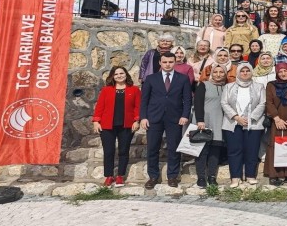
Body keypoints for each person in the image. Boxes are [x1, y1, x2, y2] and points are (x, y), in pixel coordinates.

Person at [140, 52, 192, 189]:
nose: (167, 64)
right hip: (154, 118)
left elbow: (187, 99)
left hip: (175, 118)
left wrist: (185, 115)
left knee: (174, 148)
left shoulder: (183, 79)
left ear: (175, 62)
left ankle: (172, 176)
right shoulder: (151, 79)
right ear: (160, 63)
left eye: (170, 62)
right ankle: (153, 176)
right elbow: (144, 100)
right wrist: (143, 117)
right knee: (152, 148)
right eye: (165, 62)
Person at [92, 66, 141, 187]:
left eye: (121, 73)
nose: (119, 76)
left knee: (123, 151)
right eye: (116, 74)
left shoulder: (134, 90)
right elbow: (100, 107)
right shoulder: (106, 90)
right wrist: (96, 121)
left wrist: (137, 120)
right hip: (107, 125)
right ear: (112, 77)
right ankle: (109, 176)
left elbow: (138, 107)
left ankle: (120, 176)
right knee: (109, 151)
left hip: (127, 125)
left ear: (126, 75)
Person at [222, 62, 266, 187]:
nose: (245, 73)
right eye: (242, 71)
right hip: (233, 123)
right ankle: (235, 177)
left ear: (251, 72)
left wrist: (251, 118)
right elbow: (224, 103)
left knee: (251, 150)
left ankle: (250, 175)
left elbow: (262, 103)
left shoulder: (259, 86)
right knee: (234, 150)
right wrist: (236, 117)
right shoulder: (229, 87)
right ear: (238, 73)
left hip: (253, 123)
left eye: (247, 71)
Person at [192, 63, 227, 187]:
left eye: (221, 72)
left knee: (215, 150)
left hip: (219, 121)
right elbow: (198, 103)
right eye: (216, 72)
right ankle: (201, 177)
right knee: (202, 150)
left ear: (225, 74)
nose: (218, 74)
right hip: (204, 120)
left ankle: (212, 176)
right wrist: (200, 120)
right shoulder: (204, 85)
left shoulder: (227, 87)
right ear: (211, 73)